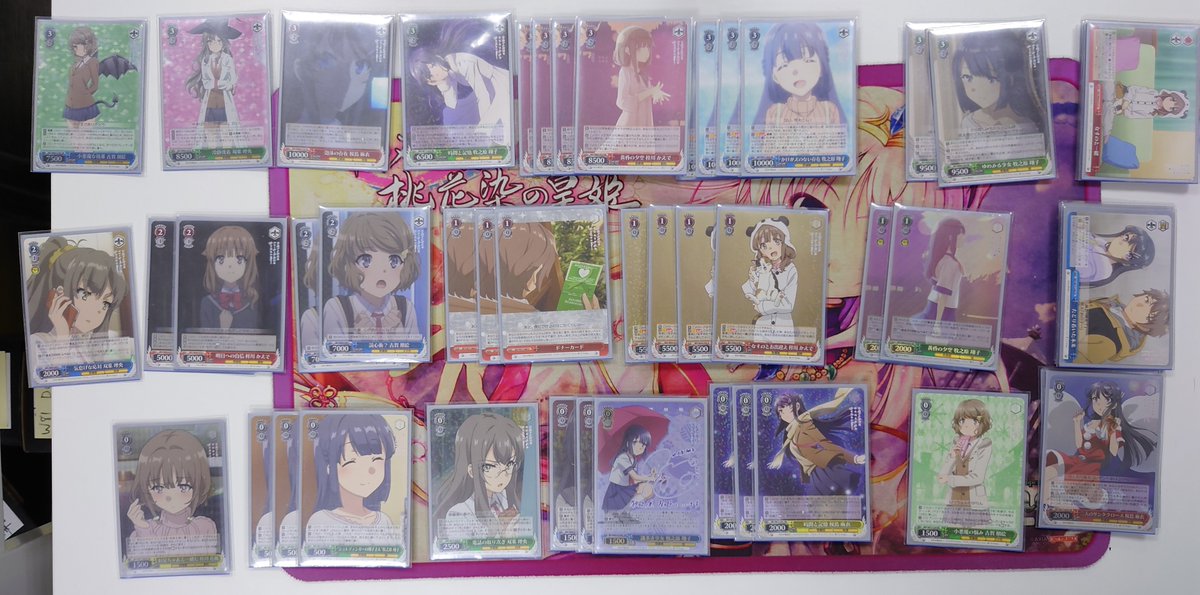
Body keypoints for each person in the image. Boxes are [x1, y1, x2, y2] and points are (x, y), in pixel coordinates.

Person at [1043, 381, 1159, 506]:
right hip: (1076, 461)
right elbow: (1079, 445)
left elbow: (1113, 451)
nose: (1099, 404)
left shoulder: (1113, 425)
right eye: (1095, 399)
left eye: (1106, 400)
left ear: (1114, 404)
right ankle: (1047, 504)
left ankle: (1062, 504)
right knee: (1051, 464)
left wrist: (1113, 431)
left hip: (1090, 470)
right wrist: (1077, 423)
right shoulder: (1090, 424)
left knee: (1079, 492)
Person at [25, 235, 129, 366]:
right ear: (59, 294)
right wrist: (63, 336)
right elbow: (56, 377)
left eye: (105, 303)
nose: (98, 309)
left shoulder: (88, 348)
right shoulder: (37, 343)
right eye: (85, 294)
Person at [322, 212, 421, 339]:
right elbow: (331, 350)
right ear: (347, 262)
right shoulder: (337, 309)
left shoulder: (406, 308)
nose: (382, 270)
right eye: (366, 260)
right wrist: (360, 342)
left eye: (394, 261)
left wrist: (398, 337)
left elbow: (417, 350)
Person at [305, 414, 401, 543]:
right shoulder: (321, 520)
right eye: (352, 461)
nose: (368, 471)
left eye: (377, 459)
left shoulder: (384, 521)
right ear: (329, 467)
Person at [433, 413, 527, 540]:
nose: (504, 474)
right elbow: (464, 550)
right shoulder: (459, 513)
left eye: (510, 463)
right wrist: (504, 535)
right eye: (491, 466)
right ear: (471, 470)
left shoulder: (504, 497)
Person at [125, 430, 219, 554]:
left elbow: (212, 561)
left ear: (198, 484)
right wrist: (142, 528)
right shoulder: (145, 528)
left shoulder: (204, 526)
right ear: (146, 489)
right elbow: (141, 561)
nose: (170, 497)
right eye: (159, 488)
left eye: (183, 487)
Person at [766, 388, 865, 495]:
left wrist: (854, 458)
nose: (782, 414)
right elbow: (789, 446)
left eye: (783, 409)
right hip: (816, 476)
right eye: (779, 412)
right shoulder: (790, 432)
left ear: (797, 406)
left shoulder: (804, 424)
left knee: (830, 501)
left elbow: (825, 443)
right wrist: (779, 457)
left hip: (825, 471)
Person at [951, 30, 1043, 134]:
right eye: (967, 77)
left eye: (990, 79)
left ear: (1010, 78)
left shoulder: (1025, 123)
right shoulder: (969, 122)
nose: (974, 89)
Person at [754, 22, 842, 126]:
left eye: (808, 61)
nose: (796, 71)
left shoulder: (829, 111)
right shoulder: (774, 113)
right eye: (784, 65)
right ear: (774, 76)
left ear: (822, 66)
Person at [936, 399, 993, 526]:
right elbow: (941, 477)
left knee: (974, 532)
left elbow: (978, 477)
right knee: (952, 532)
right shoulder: (956, 442)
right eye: (962, 420)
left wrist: (950, 479)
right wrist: (952, 457)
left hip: (974, 501)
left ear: (982, 423)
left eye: (974, 421)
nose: (967, 426)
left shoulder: (984, 445)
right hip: (955, 500)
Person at [185, 19, 241, 147]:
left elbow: (233, 78)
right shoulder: (206, 60)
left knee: (226, 131)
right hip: (210, 100)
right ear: (207, 44)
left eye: (218, 41)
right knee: (210, 131)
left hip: (223, 100)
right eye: (211, 41)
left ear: (223, 43)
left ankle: (227, 154)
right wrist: (214, 84)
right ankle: (212, 153)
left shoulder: (227, 59)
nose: (215, 44)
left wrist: (224, 84)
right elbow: (206, 81)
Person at [741, 217, 798, 343]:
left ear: (784, 242)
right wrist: (753, 278)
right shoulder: (760, 268)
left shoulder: (790, 269)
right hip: (762, 325)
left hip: (783, 326)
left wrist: (762, 306)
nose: (771, 248)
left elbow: (788, 305)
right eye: (764, 246)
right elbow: (748, 292)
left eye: (776, 241)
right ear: (760, 250)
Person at [1077, 289, 1170, 364]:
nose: (1141, 305)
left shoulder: (1113, 342)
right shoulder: (1112, 304)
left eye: (1150, 314)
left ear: (1148, 328)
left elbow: (1077, 361)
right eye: (1146, 300)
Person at [200, 225, 261, 330]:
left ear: (248, 263)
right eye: (221, 259)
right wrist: (223, 330)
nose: (230, 266)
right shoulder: (208, 303)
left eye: (239, 259)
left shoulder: (252, 301)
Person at [612, 26, 669, 128]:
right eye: (641, 47)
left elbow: (645, 93)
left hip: (644, 121)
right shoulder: (625, 72)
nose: (646, 52)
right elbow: (622, 101)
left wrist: (654, 93)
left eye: (648, 47)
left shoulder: (642, 74)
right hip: (630, 124)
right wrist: (649, 92)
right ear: (627, 50)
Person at [916, 218, 966, 324]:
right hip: (942, 309)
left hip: (939, 306)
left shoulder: (945, 259)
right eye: (961, 235)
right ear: (950, 237)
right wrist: (937, 323)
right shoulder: (950, 263)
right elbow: (942, 294)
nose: (963, 238)